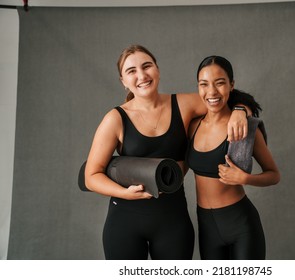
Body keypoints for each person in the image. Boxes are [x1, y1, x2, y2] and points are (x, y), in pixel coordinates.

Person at [84, 45, 250, 260]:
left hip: (173, 222)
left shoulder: (184, 104)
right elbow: (91, 176)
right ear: (123, 81)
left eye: (147, 66)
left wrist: (239, 111)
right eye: (131, 71)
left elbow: (221, 96)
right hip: (125, 222)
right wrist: (125, 193)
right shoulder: (115, 119)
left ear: (158, 70)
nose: (142, 75)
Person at [186, 55, 280, 260]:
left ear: (231, 85)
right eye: (204, 84)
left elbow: (274, 175)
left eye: (220, 83)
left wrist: (246, 179)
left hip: (241, 224)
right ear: (198, 87)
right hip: (206, 225)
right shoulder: (192, 126)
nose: (211, 92)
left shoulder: (244, 128)